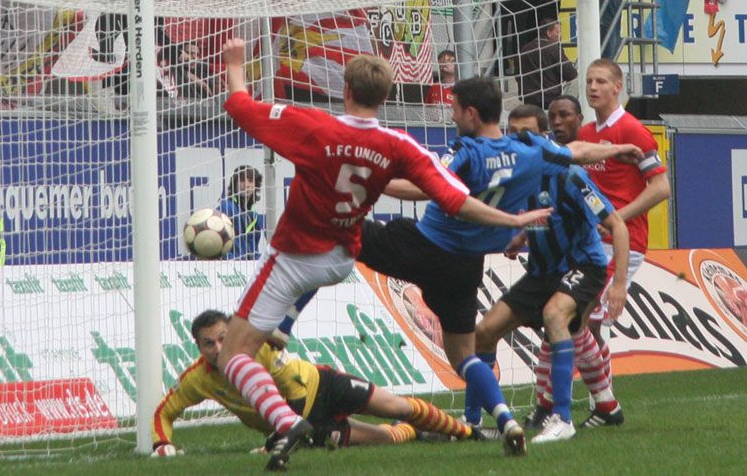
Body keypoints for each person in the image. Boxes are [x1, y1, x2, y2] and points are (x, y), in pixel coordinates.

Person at [216, 38, 552, 471]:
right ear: (385, 96)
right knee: (457, 343)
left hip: (296, 254)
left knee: (233, 357)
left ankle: (284, 420)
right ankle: (283, 331)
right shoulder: (399, 146)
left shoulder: (313, 127)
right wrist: (510, 221)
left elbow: (240, 106)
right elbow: (454, 197)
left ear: (346, 91)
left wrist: (236, 64)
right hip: (341, 257)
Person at [354, 77, 642, 454]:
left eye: (456, 108)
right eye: (515, 131)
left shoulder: (482, 155)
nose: (520, 137)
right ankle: (481, 421)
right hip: (511, 268)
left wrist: (376, 181)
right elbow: (577, 154)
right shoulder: (530, 158)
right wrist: (521, 236)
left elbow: (430, 185)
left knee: (560, 320)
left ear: (471, 113)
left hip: (571, 264)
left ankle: (565, 417)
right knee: (483, 336)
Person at [151, 310, 482, 457]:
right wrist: (161, 444)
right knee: (387, 438)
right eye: (209, 344)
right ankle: (414, 431)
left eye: (224, 338)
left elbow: (295, 397)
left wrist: (276, 440)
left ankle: (469, 433)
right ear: (198, 347)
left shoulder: (261, 348)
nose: (219, 349)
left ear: (234, 332)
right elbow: (163, 412)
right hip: (307, 427)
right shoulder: (197, 380)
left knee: (400, 405)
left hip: (322, 387)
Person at [474, 163, 629, 443]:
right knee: (490, 331)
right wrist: (521, 236)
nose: (559, 119)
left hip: (585, 264)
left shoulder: (571, 176)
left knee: (558, 320)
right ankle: (605, 405)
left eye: (564, 115)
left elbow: (615, 223)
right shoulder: (519, 173)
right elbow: (542, 217)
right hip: (541, 272)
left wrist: (619, 284)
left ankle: (555, 412)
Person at [576, 58, 670, 427]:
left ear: (618, 87)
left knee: (585, 321)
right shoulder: (585, 133)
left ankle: (604, 405)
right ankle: (597, 402)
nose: (593, 87)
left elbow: (661, 188)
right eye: (589, 81)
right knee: (575, 321)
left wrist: (617, 219)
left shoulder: (633, 130)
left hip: (622, 242)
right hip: (589, 241)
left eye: (601, 81)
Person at [518, 18, 577, 109]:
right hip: (549, 97)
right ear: (549, 33)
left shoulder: (524, 49)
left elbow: (517, 74)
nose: (560, 35)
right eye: (558, 32)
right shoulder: (554, 49)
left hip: (528, 97)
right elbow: (571, 74)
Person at [218, 165, 264, 260]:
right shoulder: (226, 207)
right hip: (229, 267)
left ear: (256, 186)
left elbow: (253, 250)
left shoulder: (254, 216)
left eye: (251, 181)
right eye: (242, 180)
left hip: (247, 269)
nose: (246, 185)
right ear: (235, 184)